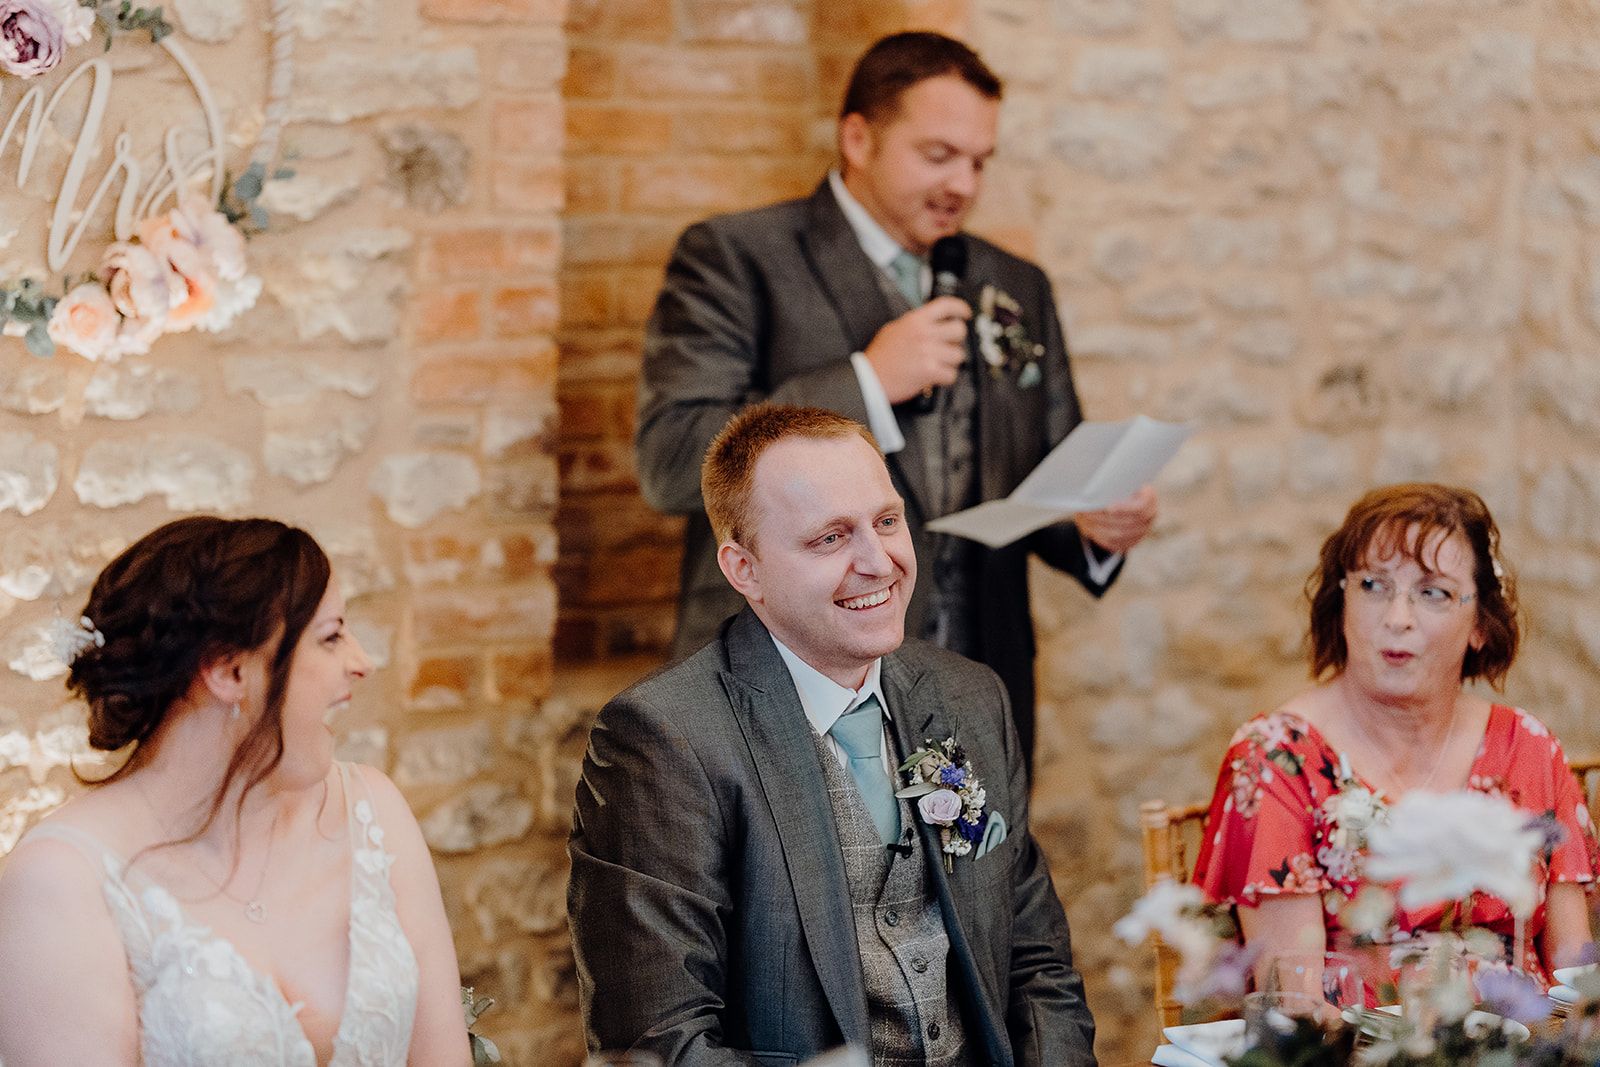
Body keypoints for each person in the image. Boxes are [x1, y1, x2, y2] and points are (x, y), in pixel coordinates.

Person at [635, 30, 1157, 771]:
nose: (964, 185)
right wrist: (869, 380)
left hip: (975, 686)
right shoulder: (737, 256)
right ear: (858, 137)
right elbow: (670, 456)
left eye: (979, 162)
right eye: (938, 156)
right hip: (783, 688)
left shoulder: (1016, 283)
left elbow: (1047, 472)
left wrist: (1096, 524)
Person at [570, 404, 1098, 1066]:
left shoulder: (969, 696)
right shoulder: (661, 741)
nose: (879, 562)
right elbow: (660, 1043)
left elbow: (1037, 963)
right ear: (744, 569)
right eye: (830, 538)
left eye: (886, 521)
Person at [0, 517, 471, 1066]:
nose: (360, 663)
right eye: (332, 636)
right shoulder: (62, 880)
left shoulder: (374, 811)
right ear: (229, 670)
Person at [1193, 484, 1598, 993]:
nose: (1397, 618)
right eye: (1373, 586)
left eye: (1433, 592)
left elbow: (1574, 975)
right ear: (1341, 604)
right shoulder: (1274, 757)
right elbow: (1292, 1000)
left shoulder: (1528, 748)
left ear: (1479, 625)